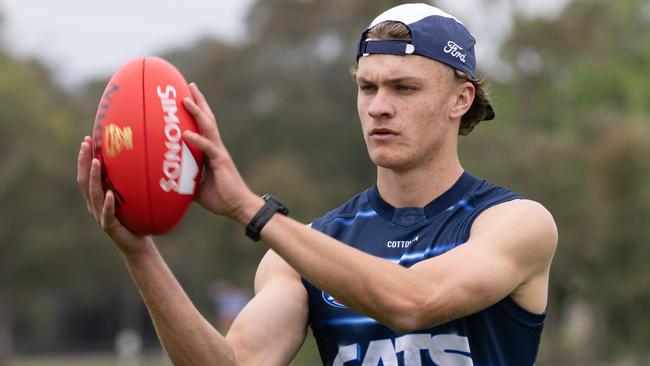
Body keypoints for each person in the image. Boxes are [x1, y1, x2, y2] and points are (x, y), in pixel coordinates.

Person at [77, 3, 557, 365]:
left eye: (404, 88)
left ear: (460, 99)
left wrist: (251, 209)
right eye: (367, 87)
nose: (378, 107)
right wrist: (138, 252)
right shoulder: (305, 250)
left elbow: (413, 302)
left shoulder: (515, 224)